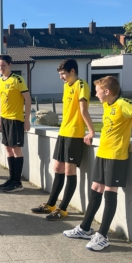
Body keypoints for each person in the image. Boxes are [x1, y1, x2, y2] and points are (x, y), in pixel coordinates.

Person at [63, 76, 132, 251]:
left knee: (110, 192)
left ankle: (103, 236)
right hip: (103, 154)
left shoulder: (123, 104)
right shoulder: (107, 105)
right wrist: (91, 134)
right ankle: (84, 228)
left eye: (97, 91)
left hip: (116, 156)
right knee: (96, 188)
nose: (95, 94)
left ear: (106, 91)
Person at [31, 59, 95, 220]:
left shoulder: (81, 84)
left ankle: (63, 209)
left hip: (74, 133)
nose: (61, 77)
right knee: (58, 168)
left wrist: (91, 131)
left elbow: (83, 110)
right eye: (60, 74)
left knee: (69, 171)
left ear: (72, 71)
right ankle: (51, 204)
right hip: (63, 132)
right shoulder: (66, 86)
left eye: (63, 74)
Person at [0, 55, 32, 192]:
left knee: (16, 149)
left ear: (10, 65)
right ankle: (11, 178)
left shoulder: (18, 80)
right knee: (8, 148)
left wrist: (26, 119)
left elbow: (28, 100)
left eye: (3, 65)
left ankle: (18, 182)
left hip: (16, 119)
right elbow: (1, 102)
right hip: (4, 119)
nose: (1, 68)